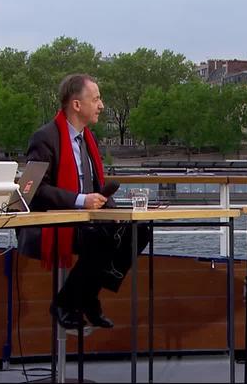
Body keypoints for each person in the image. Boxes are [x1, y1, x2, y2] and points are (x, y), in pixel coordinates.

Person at [17, 74, 151, 330]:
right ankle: (67, 302)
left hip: (86, 221)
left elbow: (96, 191)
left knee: (139, 229)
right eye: (97, 99)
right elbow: (31, 189)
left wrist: (116, 211)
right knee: (103, 238)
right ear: (77, 105)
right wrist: (80, 200)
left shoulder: (88, 139)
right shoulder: (44, 138)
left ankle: (88, 295)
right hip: (51, 223)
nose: (102, 105)